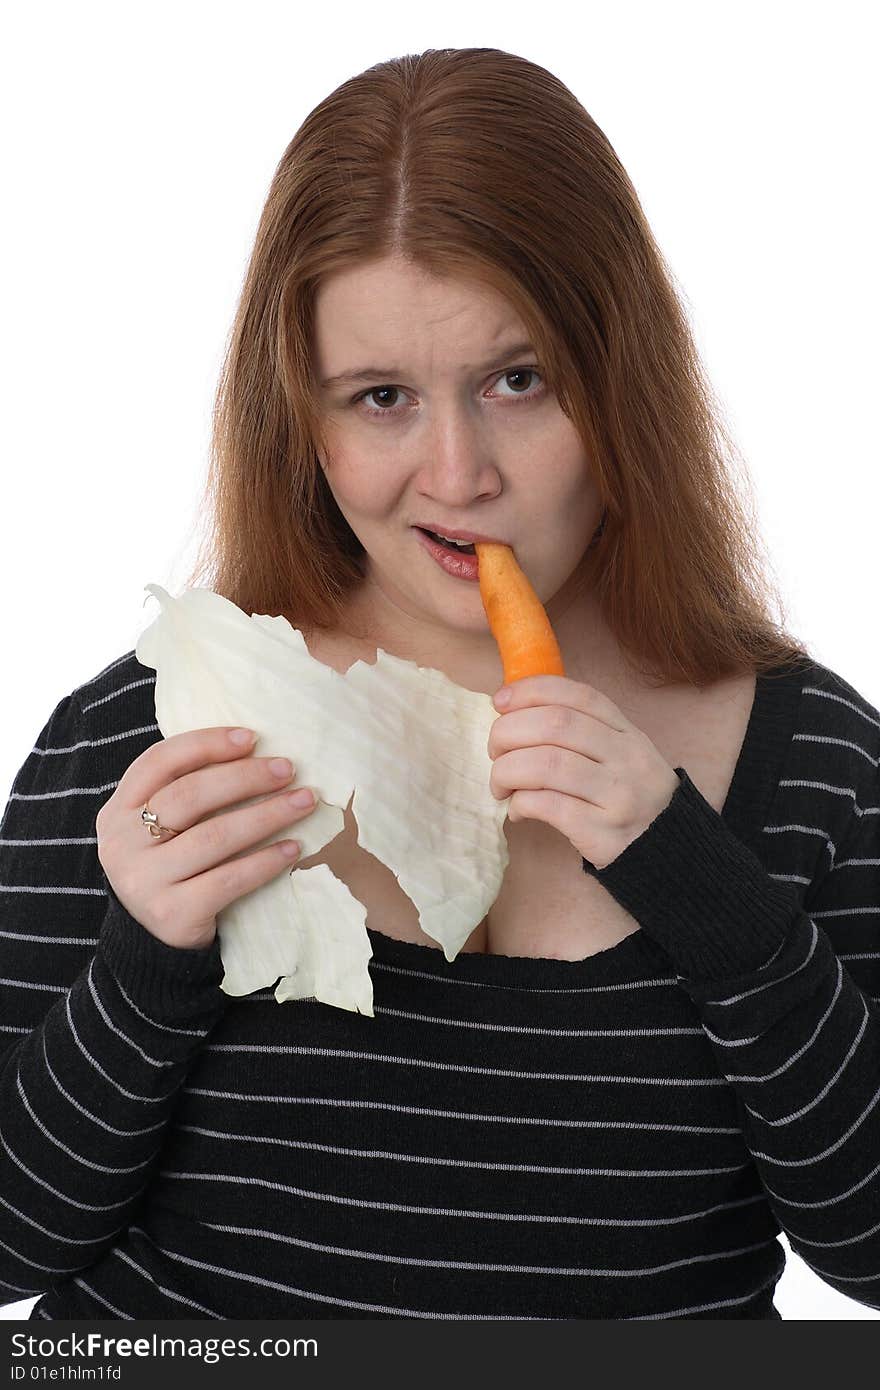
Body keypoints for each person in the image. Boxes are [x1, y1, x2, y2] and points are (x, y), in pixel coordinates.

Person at [1, 46, 878, 1322]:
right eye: (383, 398)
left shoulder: (815, 760)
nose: (457, 473)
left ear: (618, 377)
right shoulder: (148, 729)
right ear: (304, 418)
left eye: (518, 381)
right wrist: (145, 962)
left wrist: (700, 882)